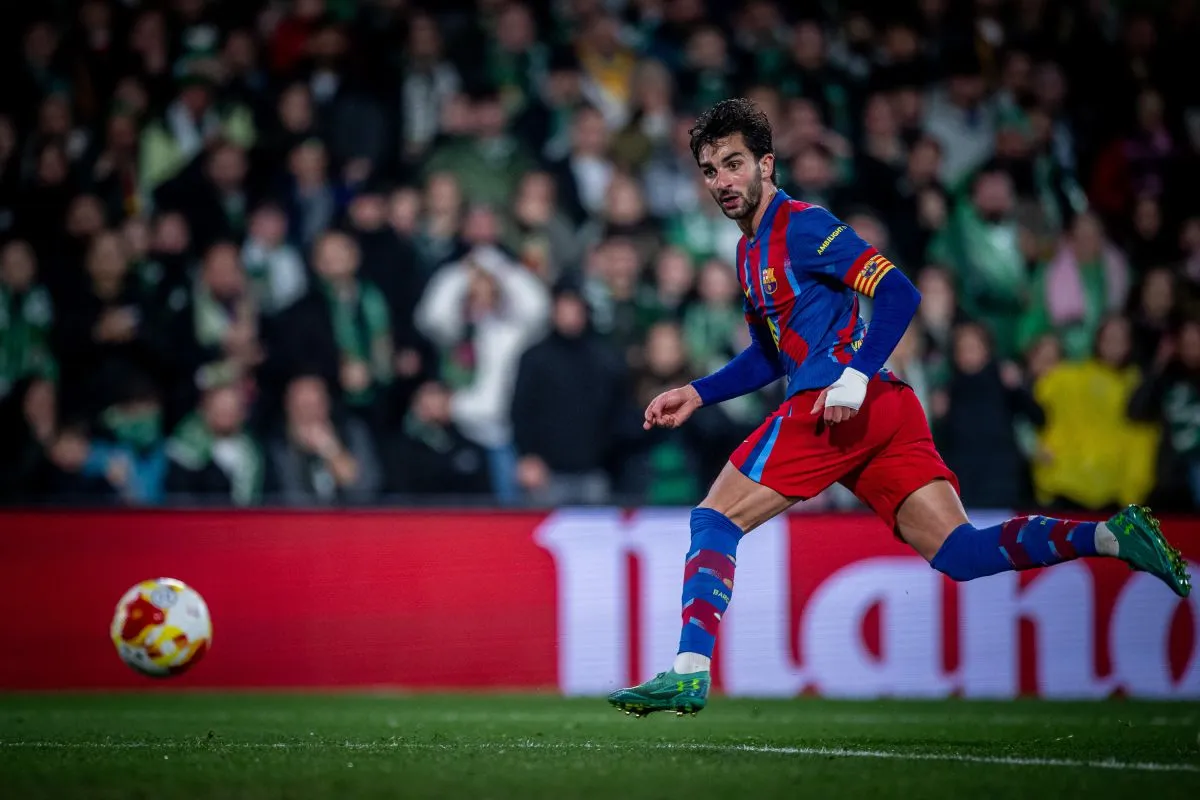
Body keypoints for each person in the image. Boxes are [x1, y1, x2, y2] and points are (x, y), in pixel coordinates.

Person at [606, 99, 1191, 718]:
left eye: (733, 164)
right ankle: (1113, 534)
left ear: (766, 164)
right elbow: (770, 355)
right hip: (882, 409)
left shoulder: (804, 226)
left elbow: (898, 292)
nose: (722, 181)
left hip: (835, 404)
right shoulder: (748, 253)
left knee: (714, 519)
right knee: (961, 552)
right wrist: (699, 392)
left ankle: (689, 672)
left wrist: (854, 376)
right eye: (709, 170)